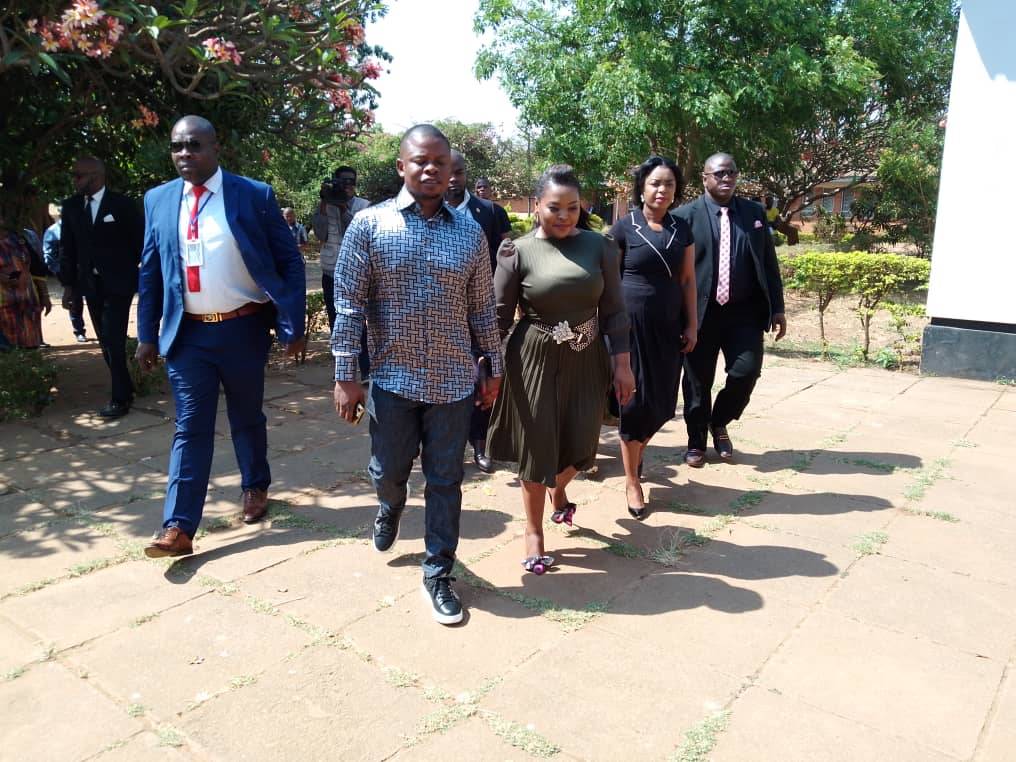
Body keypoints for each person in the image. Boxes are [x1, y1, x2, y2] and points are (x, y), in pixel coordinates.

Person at [332, 124, 503, 625]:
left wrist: (494, 367)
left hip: (453, 381)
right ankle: (390, 505)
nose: (430, 170)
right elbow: (349, 304)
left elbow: (482, 309)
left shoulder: (470, 233)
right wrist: (346, 375)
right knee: (388, 471)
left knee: (446, 480)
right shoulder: (370, 225)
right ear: (401, 166)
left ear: (451, 170)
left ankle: (438, 573)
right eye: (420, 161)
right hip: (393, 380)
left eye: (439, 163)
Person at [135, 115, 306, 558]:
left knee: (246, 416)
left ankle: (255, 486)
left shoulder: (253, 194)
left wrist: (293, 324)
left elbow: (288, 261)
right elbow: (151, 270)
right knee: (191, 426)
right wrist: (146, 334)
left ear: (215, 148)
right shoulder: (158, 199)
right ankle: (178, 527)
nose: (184, 154)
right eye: (177, 147)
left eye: (194, 145)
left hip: (243, 328)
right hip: (188, 336)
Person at [487, 165, 635, 574]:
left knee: (584, 445)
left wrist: (622, 365)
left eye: (573, 207)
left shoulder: (600, 247)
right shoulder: (517, 252)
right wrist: (486, 366)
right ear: (537, 205)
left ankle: (558, 489)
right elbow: (498, 317)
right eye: (555, 207)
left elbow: (615, 311)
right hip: (532, 359)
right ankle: (534, 531)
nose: (565, 215)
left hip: (587, 357)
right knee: (536, 447)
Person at [674, 153, 786, 467]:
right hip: (700, 314)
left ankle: (719, 421)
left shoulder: (754, 213)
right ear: (704, 177)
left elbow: (768, 263)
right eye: (720, 173)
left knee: (746, 372)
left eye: (732, 173)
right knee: (697, 381)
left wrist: (778, 308)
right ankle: (696, 441)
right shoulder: (684, 216)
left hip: (744, 314)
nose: (727, 178)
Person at [608, 156, 698, 520]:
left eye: (669, 184)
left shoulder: (682, 228)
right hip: (630, 329)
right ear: (642, 187)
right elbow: (608, 283)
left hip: (668, 328)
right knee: (634, 403)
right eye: (655, 183)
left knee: (661, 405)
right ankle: (632, 481)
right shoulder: (623, 228)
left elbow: (688, 280)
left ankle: (636, 455)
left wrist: (692, 325)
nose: (662, 190)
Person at [59, 157, 144, 417]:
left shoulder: (122, 204)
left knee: (112, 338)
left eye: (78, 175)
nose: (74, 180)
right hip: (90, 284)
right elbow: (67, 249)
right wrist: (69, 287)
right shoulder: (71, 207)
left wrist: (127, 271)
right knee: (105, 341)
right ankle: (126, 387)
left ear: (95, 176)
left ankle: (120, 399)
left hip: (118, 284)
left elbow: (140, 243)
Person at [445, 150, 512, 473]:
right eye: (448, 172)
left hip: (480, 310)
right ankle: (447, 445)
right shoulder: (426, 212)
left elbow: (506, 256)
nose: (452, 179)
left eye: (458, 172)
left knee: (482, 376)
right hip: (442, 312)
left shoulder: (488, 211)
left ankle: (481, 443)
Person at [312, 166, 371, 380]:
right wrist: (324, 203)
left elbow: (357, 233)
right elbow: (321, 234)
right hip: (331, 272)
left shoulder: (364, 206)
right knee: (335, 321)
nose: (347, 186)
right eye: (343, 182)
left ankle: (366, 369)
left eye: (351, 181)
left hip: (357, 273)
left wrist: (343, 207)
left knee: (360, 322)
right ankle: (343, 371)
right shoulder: (324, 206)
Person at [0, 214, 51, 348]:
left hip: (28, 303)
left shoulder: (19, 240)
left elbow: (37, 269)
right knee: (8, 350)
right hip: (3, 309)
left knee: (30, 347)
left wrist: (45, 296)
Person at [42, 205, 86, 342]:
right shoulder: (53, 231)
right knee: (75, 300)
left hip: (86, 270)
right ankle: (79, 331)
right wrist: (60, 272)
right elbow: (49, 255)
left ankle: (104, 331)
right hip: (68, 272)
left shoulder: (82, 227)